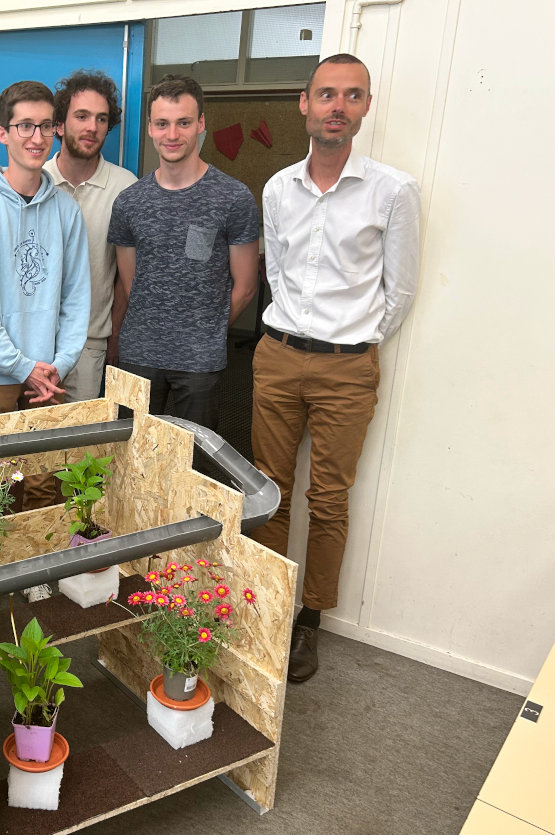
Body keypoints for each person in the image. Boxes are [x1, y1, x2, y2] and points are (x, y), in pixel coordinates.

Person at [251, 54, 421, 683]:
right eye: (326, 94)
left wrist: (350, 343)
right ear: (305, 103)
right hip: (277, 358)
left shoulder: (393, 190)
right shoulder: (277, 187)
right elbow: (277, 276)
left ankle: (308, 621)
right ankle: (266, 606)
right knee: (269, 489)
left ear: (365, 107)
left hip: (347, 369)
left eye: (352, 96)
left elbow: (399, 291)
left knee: (329, 498)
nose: (337, 107)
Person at [0, 79, 90, 513]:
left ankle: (39, 581)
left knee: (43, 484)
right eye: (25, 126)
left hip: (49, 374)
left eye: (45, 126)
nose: (36, 137)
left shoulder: (66, 210)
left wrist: (58, 365)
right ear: (3, 133)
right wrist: (19, 366)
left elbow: (76, 297)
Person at [108, 74, 259, 431]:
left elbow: (246, 285)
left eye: (183, 123)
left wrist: (205, 333)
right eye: (162, 124)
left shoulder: (233, 198)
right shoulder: (129, 202)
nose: (172, 135)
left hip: (200, 363)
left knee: (194, 463)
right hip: (139, 357)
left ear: (201, 123)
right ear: (149, 128)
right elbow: (130, 284)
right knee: (131, 458)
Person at [44, 70, 138, 402]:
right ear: (59, 124)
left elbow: (126, 275)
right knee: (29, 447)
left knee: (80, 448)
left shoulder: (125, 187)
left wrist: (113, 338)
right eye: (81, 116)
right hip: (34, 345)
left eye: (101, 119)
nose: (92, 127)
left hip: (91, 342)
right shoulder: (34, 182)